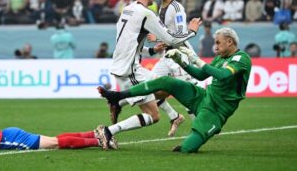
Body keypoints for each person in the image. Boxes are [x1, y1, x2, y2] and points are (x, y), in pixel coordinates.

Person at [98, 27, 252, 153]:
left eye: (218, 43)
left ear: (230, 42)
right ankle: (118, 96)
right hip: (203, 97)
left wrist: (195, 59)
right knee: (166, 81)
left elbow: (224, 75)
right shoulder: (221, 58)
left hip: (217, 110)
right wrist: (181, 62)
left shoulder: (241, 59)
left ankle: (205, 129)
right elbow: (200, 75)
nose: (215, 47)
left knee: (187, 148)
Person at [98, 0, 201, 144]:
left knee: (167, 87)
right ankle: (108, 131)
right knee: (153, 115)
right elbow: (173, 40)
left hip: (127, 65)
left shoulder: (127, 9)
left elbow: (128, 43)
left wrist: (151, 50)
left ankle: (119, 102)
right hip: (129, 70)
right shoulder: (147, 14)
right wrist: (193, 31)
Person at [146, 0, 200, 137]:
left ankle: (201, 125)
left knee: (188, 93)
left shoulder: (176, 8)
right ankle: (174, 116)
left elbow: (183, 34)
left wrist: (158, 38)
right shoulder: (159, 8)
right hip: (166, 56)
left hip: (179, 54)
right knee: (150, 88)